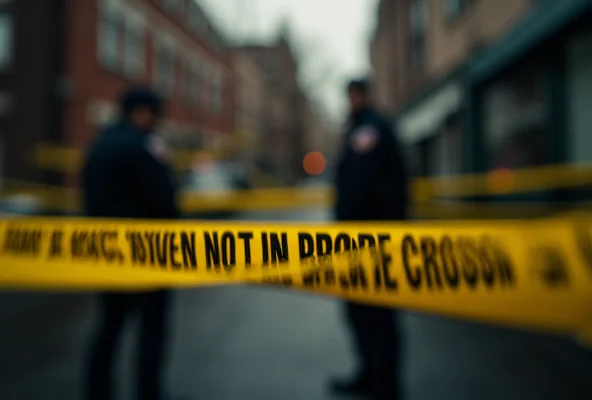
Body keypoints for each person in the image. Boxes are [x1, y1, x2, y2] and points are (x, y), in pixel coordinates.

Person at [83, 85, 179, 400]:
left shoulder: (98, 145)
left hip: (106, 254)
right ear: (142, 113)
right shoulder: (144, 146)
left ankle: (98, 392)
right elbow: (164, 198)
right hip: (149, 256)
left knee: (109, 327)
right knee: (151, 331)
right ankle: (148, 393)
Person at [329, 78, 408, 400]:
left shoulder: (369, 130)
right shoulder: (361, 127)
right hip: (362, 237)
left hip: (370, 240)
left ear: (361, 95)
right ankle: (370, 375)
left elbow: (361, 184)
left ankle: (384, 385)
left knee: (376, 315)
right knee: (362, 313)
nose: (350, 100)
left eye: (353, 95)